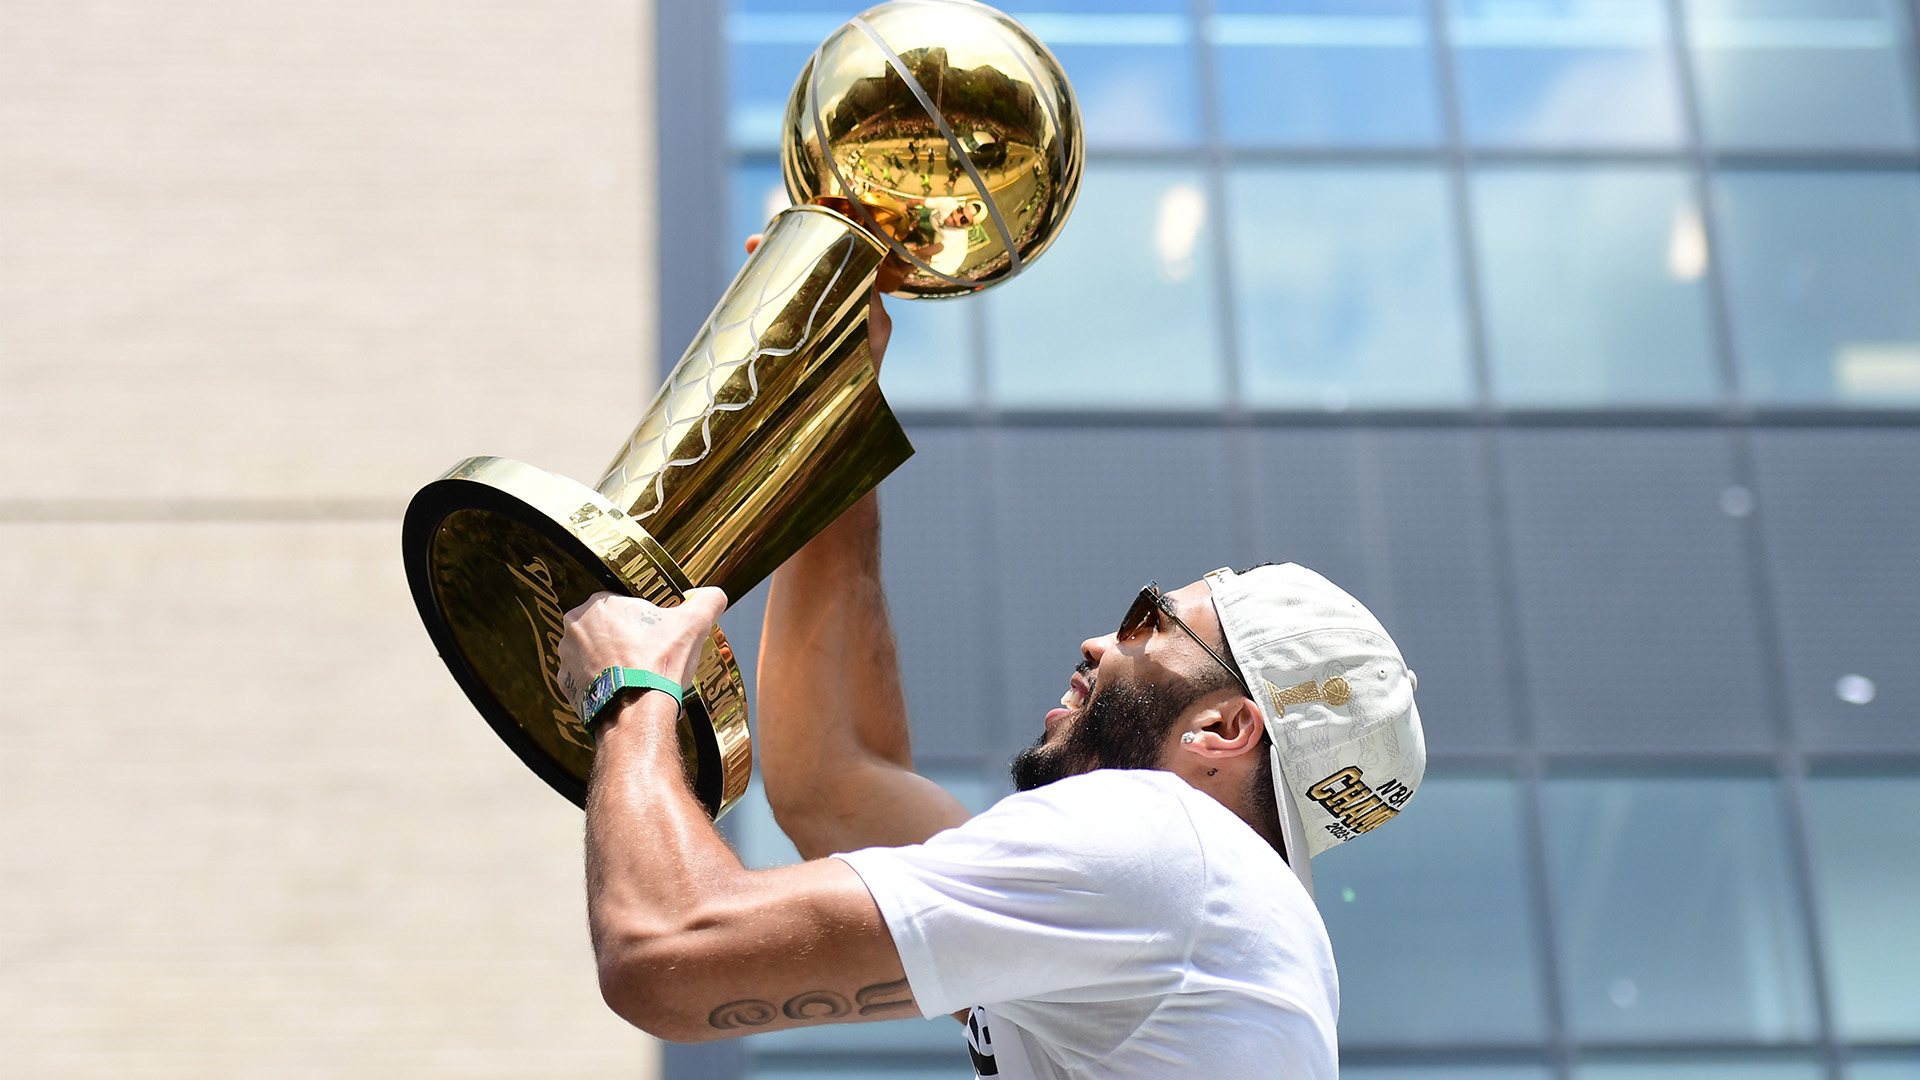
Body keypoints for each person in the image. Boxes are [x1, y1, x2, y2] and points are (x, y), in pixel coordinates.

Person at [555, 278, 1425, 1079]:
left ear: (1225, 730)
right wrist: (833, 406)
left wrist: (632, 688)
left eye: (1148, 624)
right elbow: (838, 779)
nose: (1099, 642)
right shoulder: (1205, 910)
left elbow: (663, 952)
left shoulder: (1158, 844)